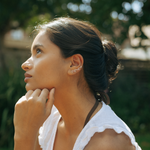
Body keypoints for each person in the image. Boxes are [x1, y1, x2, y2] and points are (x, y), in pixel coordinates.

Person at [13, 17, 141, 150]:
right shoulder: (48, 121)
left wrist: (23, 136)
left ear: (74, 64)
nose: (25, 65)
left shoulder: (107, 142)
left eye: (38, 51)